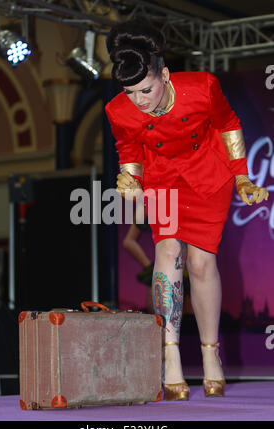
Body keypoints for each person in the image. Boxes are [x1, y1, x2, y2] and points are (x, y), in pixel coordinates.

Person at [105, 21, 269, 401]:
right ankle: (171, 354)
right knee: (167, 250)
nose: (139, 100)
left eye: (146, 89)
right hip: (163, 176)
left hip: (209, 173)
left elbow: (229, 125)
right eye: (130, 92)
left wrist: (242, 177)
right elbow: (129, 150)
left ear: (164, 73)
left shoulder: (202, 87)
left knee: (200, 263)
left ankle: (212, 356)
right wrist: (130, 178)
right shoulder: (119, 110)